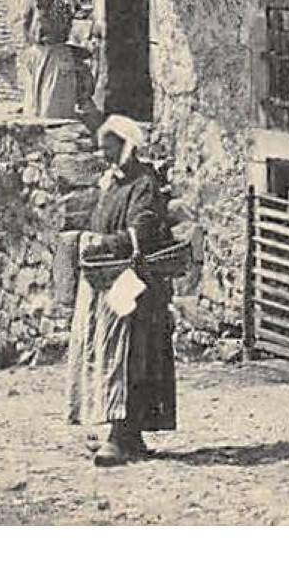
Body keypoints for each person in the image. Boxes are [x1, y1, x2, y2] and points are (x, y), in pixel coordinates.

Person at [66, 114, 176, 466]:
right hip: (107, 281)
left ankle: (120, 434)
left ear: (126, 145)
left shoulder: (144, 185)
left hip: (134, 285)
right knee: (106, 353)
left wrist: (105, 244)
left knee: (128, 356)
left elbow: (142, 229)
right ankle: (127, 434)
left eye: (109, 148)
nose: (105, 155)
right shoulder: (112, 184)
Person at [20, 0, 78, 118]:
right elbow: (26, 26)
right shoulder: (32, 3)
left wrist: (43, 12)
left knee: (51, 103)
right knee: (34, 105)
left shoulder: (59, 4)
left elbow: (59, 32)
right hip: (37, 54)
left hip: (55, 55)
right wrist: (30, 46)